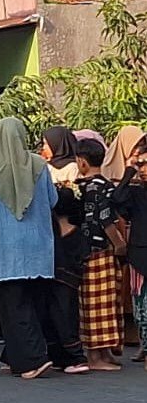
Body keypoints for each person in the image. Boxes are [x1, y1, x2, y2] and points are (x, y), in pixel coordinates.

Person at [0, 117, 59, 379]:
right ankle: (14, 356)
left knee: (13, 305)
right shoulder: (39, 165)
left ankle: (32, 361)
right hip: (40, 245)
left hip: (8, 249)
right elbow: (53, 200)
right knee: (34, 302)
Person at [75, 137, 124, 370]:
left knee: (96, 303)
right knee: (101, 303)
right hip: (101, 250)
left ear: (81, 162)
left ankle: (101, 352)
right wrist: (119, 243)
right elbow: (107, 219)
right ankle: (96, 356)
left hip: (85, 250)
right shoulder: (104, 186)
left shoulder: (79, 187)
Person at [43, 185, 90, 374]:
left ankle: (74, 357)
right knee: (66, 317)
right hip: (69, 283)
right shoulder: (78, 233)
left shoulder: (49, 233)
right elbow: (82, 258)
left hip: (52, 279)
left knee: (55, 317)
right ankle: (67, 356)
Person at [111, 143, 147, 370]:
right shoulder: (136, 191)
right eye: (140, 164)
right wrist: (129, 170)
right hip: (140, 253)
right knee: (141, 307)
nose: (142, 168)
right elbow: (117, 200)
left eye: (144, 164)